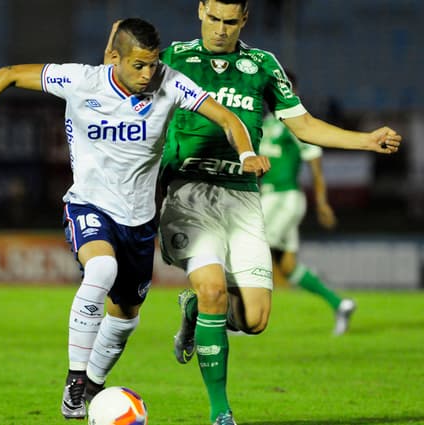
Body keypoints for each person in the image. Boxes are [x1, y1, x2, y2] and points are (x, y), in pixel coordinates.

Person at [0, 18, 270, 420]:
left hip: (139, 222)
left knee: (125, 317)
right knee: (101, 268)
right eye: (138, 65)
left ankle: (91, 384)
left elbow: (227, 118)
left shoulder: (171, 82)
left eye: (153, 64)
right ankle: (75, 379)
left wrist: (246, 153)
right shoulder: (81, 81)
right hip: (89, 206)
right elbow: (8, 75)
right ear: (114, 58)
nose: (148, 74)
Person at [104, 3, 400, 425]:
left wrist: (366, 140)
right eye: (214, 19)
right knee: (212, 289)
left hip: (243, 199)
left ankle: (194, 314)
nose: (220, 30)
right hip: (189, 191)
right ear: (200, 10)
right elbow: (117, 84)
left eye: (230, 22)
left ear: (244, 20)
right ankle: (220, 412)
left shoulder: (261, 65)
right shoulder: (173, 59)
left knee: (255, 319)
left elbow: (305, 125)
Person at [259, 71, 356, 336]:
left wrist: (323, 203)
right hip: (269, 198)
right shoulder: (266, 124)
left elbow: (315, 163)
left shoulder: (296, 123)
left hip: (283, 198)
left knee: (251, 250)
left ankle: (245, 317)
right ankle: (340, 303)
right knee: (288, 267)